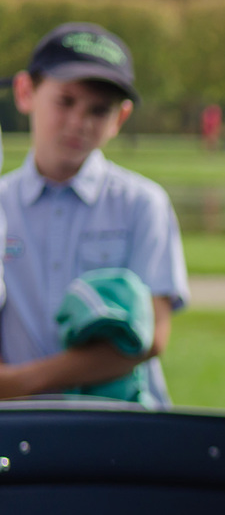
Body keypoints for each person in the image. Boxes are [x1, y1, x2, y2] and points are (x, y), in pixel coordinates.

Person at [0, 23, 189, 403]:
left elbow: (151, 336)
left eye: (99, 110)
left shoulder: (142, 203)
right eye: (65, 101)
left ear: (120, 118)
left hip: (117, 428)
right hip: (21, 430)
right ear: (25, 92)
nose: (79, 123)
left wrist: (21, 383)